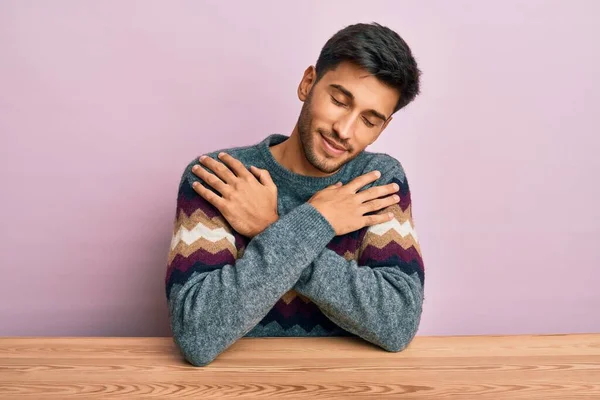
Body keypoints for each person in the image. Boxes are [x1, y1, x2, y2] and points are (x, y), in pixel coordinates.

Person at [165, 22, 425, 367]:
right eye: (338, 100)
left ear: (383, 126)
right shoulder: (221, 177)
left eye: (369, 120)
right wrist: (320, 221)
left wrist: (271, 225)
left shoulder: (377, 181)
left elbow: (397, 323)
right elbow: (197, 334)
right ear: (308, 84)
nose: (344, 130)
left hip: (348, 385)